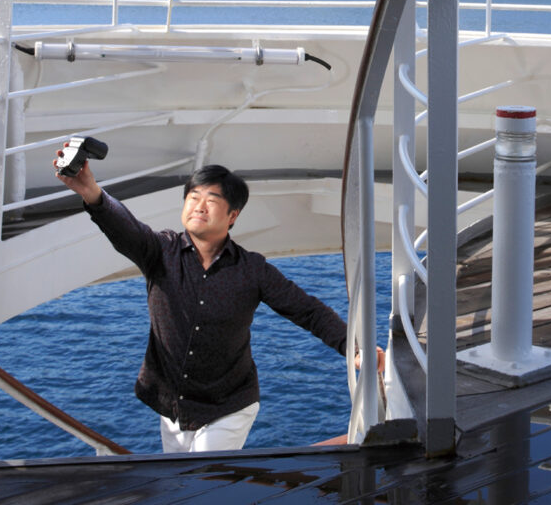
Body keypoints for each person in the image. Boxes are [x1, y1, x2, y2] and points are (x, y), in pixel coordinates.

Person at [56, 155, 381, 452]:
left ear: (232, 216)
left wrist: (355, 348)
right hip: (172, 407)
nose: (199, 206)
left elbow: (307, 310)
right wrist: (92, 193)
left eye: (211, 200)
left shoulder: (253, 270)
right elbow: (124, 228)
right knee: (185, 484)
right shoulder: (159, 252)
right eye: (192, 198)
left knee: (203, 480)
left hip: (227, 405)